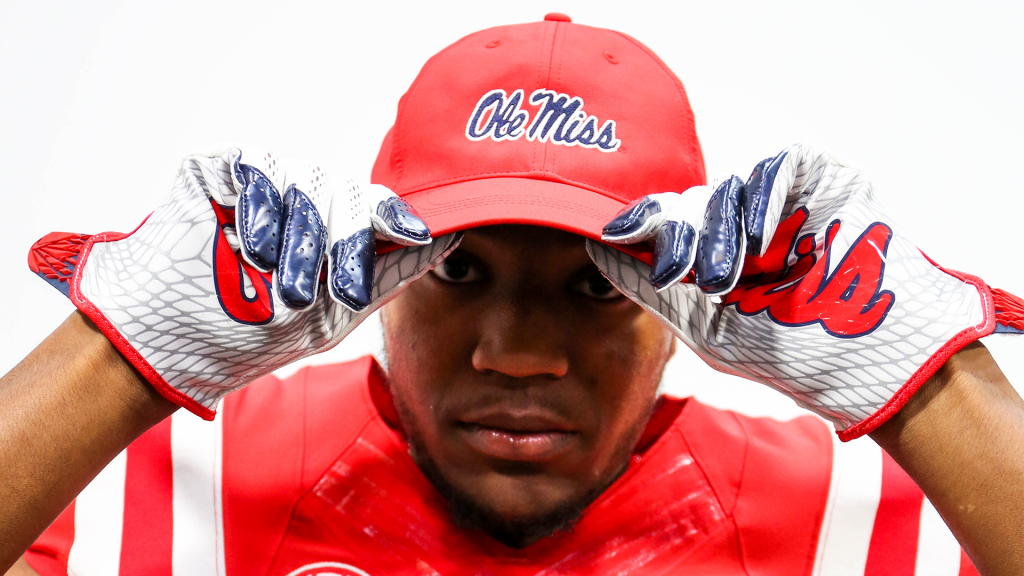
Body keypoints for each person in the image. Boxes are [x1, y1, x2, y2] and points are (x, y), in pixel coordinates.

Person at [3, 13, 1024, 576]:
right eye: (456, 269)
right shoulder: (176, 492)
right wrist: (120, 351)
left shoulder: (846, 526)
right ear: (374, 277)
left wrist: (928, 378)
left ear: (684, 304)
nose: (519, 354)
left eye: (595, 285)